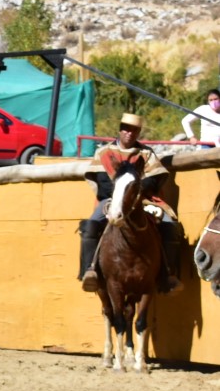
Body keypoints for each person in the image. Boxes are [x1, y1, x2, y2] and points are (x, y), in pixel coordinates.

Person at [79, 113, 184, 294]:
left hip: (142, 199)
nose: (130, 133)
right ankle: (90, 271)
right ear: (120, 130)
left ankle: (169, 274)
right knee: (90, 225)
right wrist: (120, 195)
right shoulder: (104, 153)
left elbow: (154, 179)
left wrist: (135, 193)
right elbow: (102, 180)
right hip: (112, 199)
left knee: (169, 225)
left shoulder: (146, 153)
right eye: (126, 129)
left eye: (134, 130)